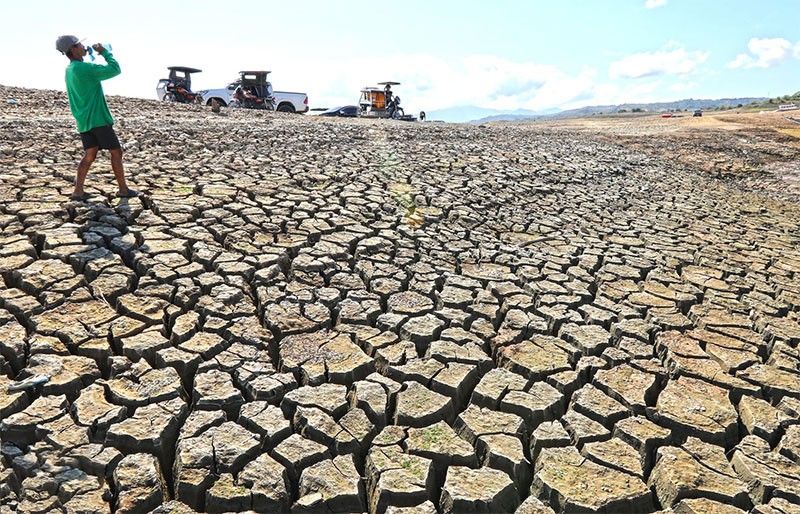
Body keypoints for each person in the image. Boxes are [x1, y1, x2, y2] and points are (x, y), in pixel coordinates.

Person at [55, 35, 137, 201]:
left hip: (84, 121)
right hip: (98, 119)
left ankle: (78, 191)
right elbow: (115, 69)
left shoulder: (70, 70)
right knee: (116, 151)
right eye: (79, 44)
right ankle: (123, 189)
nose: (83, 46)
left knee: (90, 154)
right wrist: (105, 52)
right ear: (73, 49)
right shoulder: (84, 68)